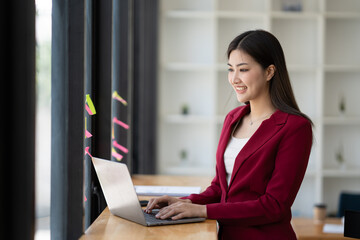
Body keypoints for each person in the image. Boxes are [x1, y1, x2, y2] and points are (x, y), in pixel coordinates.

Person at [145, 29, 313, 239]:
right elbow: (220, 188)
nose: (234, 79)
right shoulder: (233, 119)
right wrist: (186, 202)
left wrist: (203, 211)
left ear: (269, 72)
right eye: (230, 69)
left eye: (243, 69)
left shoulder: (295, 127)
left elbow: (274, 205)